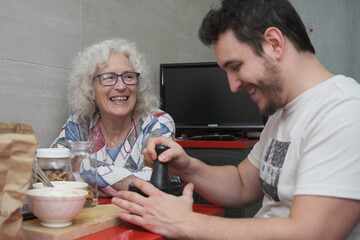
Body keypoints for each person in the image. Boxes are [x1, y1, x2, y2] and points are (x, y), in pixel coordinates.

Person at [111, 0, 360, 239]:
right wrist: (185, 166)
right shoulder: (279, 118)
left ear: (274, 43)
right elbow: (242, 184)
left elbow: (311, 234)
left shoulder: (343, 111)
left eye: (236, 66)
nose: (232, 85)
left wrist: (186, 222)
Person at [52, 38, 177, 197]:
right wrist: (121, 183)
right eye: (109, 77)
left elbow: (155, 184)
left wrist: (82, 169)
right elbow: (53, 165)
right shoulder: (80, 121)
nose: (121, 86)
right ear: (90, 88)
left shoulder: (158, 122)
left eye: (129, 77)